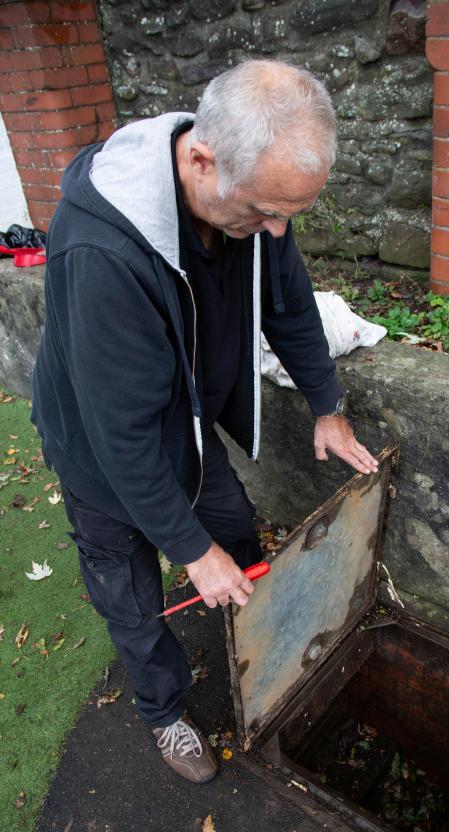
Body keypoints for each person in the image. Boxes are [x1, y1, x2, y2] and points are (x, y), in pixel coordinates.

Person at [31, 59, 378, 785]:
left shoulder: (252, 198)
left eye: (289, 213)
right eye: (263, 213)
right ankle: (165, 714)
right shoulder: (102, 250)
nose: (277, 230)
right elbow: (120, 433)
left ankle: (250, 642)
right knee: (131, 595)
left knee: (239, 539)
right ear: (200, 159)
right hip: (101, 453)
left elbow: (289, 303)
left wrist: (327, 407)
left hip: (183, 428)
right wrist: (190, 549)